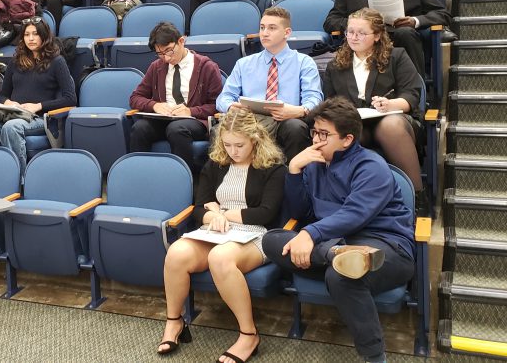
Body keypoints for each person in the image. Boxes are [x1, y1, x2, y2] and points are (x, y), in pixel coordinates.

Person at [262, 96, 414, 363]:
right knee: (271, 240)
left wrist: (310, 235)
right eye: (314, 132)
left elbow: (354, 215)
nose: (315, 140)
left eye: (324, 134)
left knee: (341, 276)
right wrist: (295, 170)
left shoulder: (370, 166)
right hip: (333, 244)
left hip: (386, 248)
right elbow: (301, 214)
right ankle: (334, 254)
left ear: (347, 139)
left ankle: (375, 357)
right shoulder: (314, 164)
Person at [157, 108, 285, 362]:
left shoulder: (273, 167)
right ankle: (175, 321)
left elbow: (266, 214)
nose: (232, 151)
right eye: (227, 144)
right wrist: (210, 215)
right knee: (177, 253)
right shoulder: (216, 163)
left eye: (239, 145)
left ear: (255, 139)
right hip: (217, 230)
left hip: (256, 234)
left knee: (220, 258)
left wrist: (222, 213)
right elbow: (199, 207)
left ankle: (249, 335)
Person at [324, 8, 427, 214]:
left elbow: (412, 96)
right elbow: (330, 103)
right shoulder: (336, 65)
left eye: (361, 33)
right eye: (350, 32)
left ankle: (416, 200)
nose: (353, 37)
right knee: (338, 134)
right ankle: (339, 204)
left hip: (395, 120)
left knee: (389, 126)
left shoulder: (396, 56)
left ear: (378, 35)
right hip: (356, 124)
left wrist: (392, 105)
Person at [217, 7, 323, 161]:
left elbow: (314, 98)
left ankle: (293, 177)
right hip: (251, 119)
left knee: (295, 128)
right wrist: (231, 106)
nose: (264, 33)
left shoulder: (304, 62)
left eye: (272, 28)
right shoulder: (244, 63)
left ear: (287, 33)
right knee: (217, 130)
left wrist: (299, 110)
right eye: (262, 27)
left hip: (286, 119)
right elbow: (223, 98)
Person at [0, 18, 77, 169]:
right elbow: (2, 95)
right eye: (27, 34)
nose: (30, 38)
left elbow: (70, 99)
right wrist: (8, 103)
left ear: (44, 36)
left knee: (11, 127)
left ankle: (18, 177)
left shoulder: (57, 61)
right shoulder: (16, 61)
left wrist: (38, 106)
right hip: (13, 114)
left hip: (39, 117)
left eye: (35, 34)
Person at [128, 23, 222, 174]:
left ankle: (185, 181)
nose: (166, 58)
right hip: (163, 119)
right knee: (140, 128)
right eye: (159, 53)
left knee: (177, 129)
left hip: (194, 120)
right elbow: (135, 97)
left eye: (169, 51)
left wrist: (190, 111)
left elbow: (218, 105)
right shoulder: (156, 67)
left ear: (181, 41)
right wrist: (154, 105)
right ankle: (139, 176)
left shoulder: (207, 67)